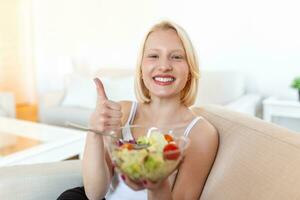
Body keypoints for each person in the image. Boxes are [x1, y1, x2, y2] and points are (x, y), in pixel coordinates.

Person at [58, 20, 218, 200]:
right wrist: (94, 133)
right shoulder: (123, 112)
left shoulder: (201, 134)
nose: (164, 66)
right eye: (153, 56)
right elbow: (94, 194)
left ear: (190, 69)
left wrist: (157, 186)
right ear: (141, 68)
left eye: (176, 57)